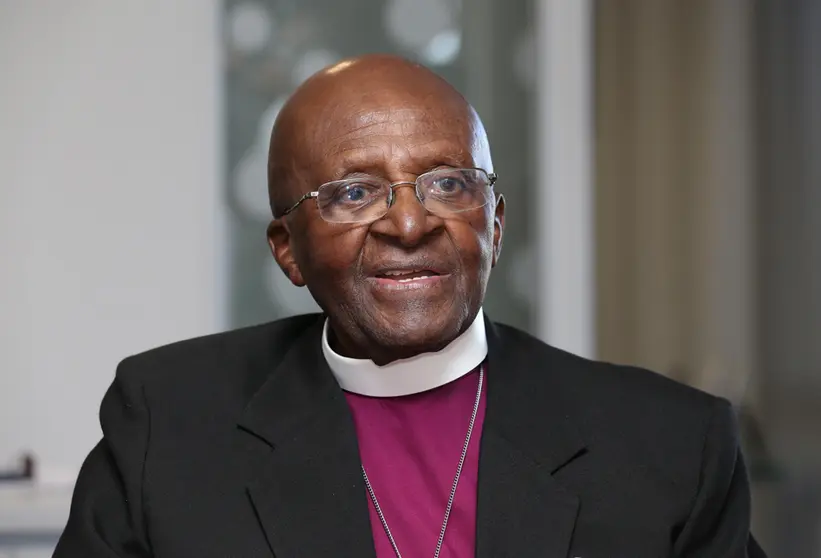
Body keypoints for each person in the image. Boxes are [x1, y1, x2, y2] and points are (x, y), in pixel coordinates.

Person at [54, 54, 766, 557]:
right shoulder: (167, 422)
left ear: (493, 223)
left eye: (448, 184)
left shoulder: (668, 444)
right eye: (354, 192)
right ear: (288, 250)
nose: (407, 224)